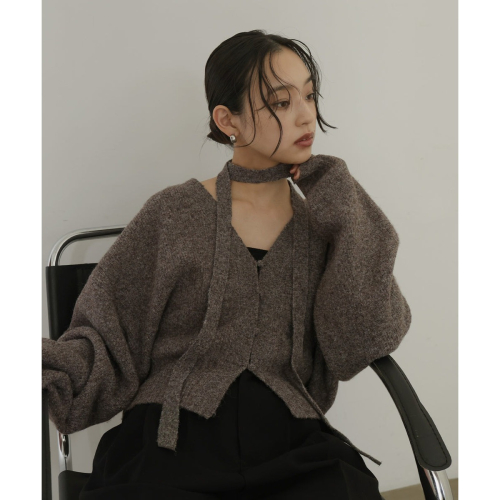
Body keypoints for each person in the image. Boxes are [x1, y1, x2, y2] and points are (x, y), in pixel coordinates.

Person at [43, 30, 410, 499]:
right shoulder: (173, 214)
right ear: (227, 119)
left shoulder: (323, 227)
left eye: (310, 96)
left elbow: (358, 342)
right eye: (281, 102)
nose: (305, 115)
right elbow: (107, 331)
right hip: (171, 441)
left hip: (292, 444)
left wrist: (345, 208)